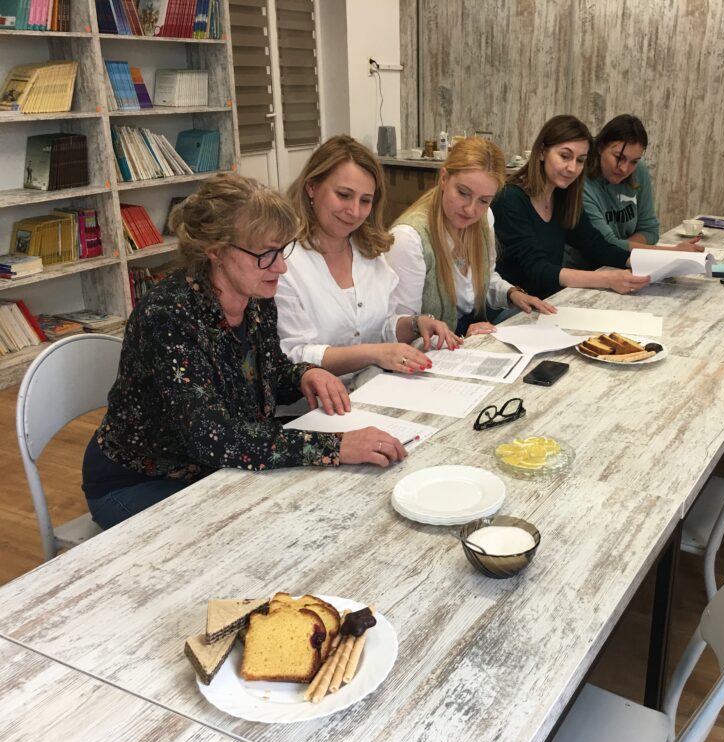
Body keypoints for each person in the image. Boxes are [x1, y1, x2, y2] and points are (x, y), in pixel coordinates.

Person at [81, 174, 406, 530]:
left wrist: (304, 374)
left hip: (219, 466)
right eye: (266, 254)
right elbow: (212, 436)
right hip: (145, 481)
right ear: (216, 250)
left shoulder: (255, 297)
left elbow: (265, 374)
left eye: (282, 250)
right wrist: (333, 447)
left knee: (328, 505)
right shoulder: (169, 314)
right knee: (268, 529)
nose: (280, 266)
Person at [276, 135, 460, 380]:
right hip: (311, 406)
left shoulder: (369, 252)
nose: (354, 211)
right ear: (312, 187)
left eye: (365, 201)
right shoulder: (283, 261)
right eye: (343, 195)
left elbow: (381, 327)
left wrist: (415, 324)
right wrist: (374, 353)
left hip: (373, 388)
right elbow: (294, 354)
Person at [386, 137, 554, 336]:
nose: (470, 210)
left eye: (484, 200)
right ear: (444, 178)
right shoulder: (409, 239)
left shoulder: (484, 218)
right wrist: (461, 337)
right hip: (428, 352)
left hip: (467, 333)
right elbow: (401, 331)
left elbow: (485, 277)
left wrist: (511, 293)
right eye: (463, 193)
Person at [490, 115, 651, 300]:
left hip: (550, 302)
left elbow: (596, 246)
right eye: (565, 156)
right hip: (511, 310)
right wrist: (606, 279)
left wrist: (644, 263)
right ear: (542, 152)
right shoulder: (510, 198)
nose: (572, 168)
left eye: (581, 160)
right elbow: (537, 269)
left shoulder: (564, 195)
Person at [582, 114, 704, 255]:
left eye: (634, 161)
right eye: (619, 158)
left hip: (621, 262)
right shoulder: (582, 183)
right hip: (587, 269)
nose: (624, 168)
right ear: (600, 147)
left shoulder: (639, 170)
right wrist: (672, 252)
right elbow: (606, 244)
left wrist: (624, 247)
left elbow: (650, 230)